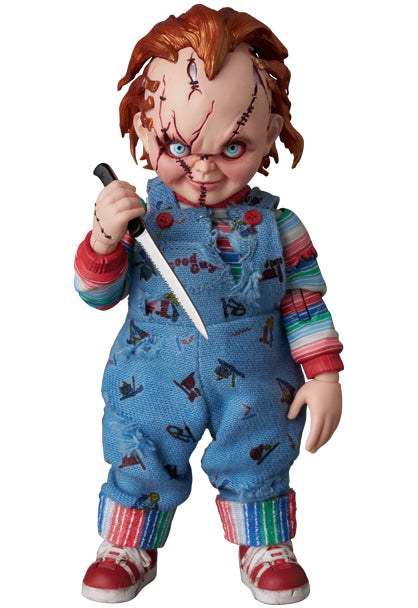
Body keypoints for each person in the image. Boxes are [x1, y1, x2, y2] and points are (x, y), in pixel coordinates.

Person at [74, 5, 343, 604]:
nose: (201, 168)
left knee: (261, 448)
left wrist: (324, 374)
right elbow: (96, 294)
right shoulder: (138, 218)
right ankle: (127, 544)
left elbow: (304, 302)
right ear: (144, 128)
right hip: (150, 376)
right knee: (140, 449)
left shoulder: (282, 226)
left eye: (232, 147)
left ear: (270, 134)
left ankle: (264, 543)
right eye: (177, 144)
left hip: (257, 377)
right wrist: (103, 241)